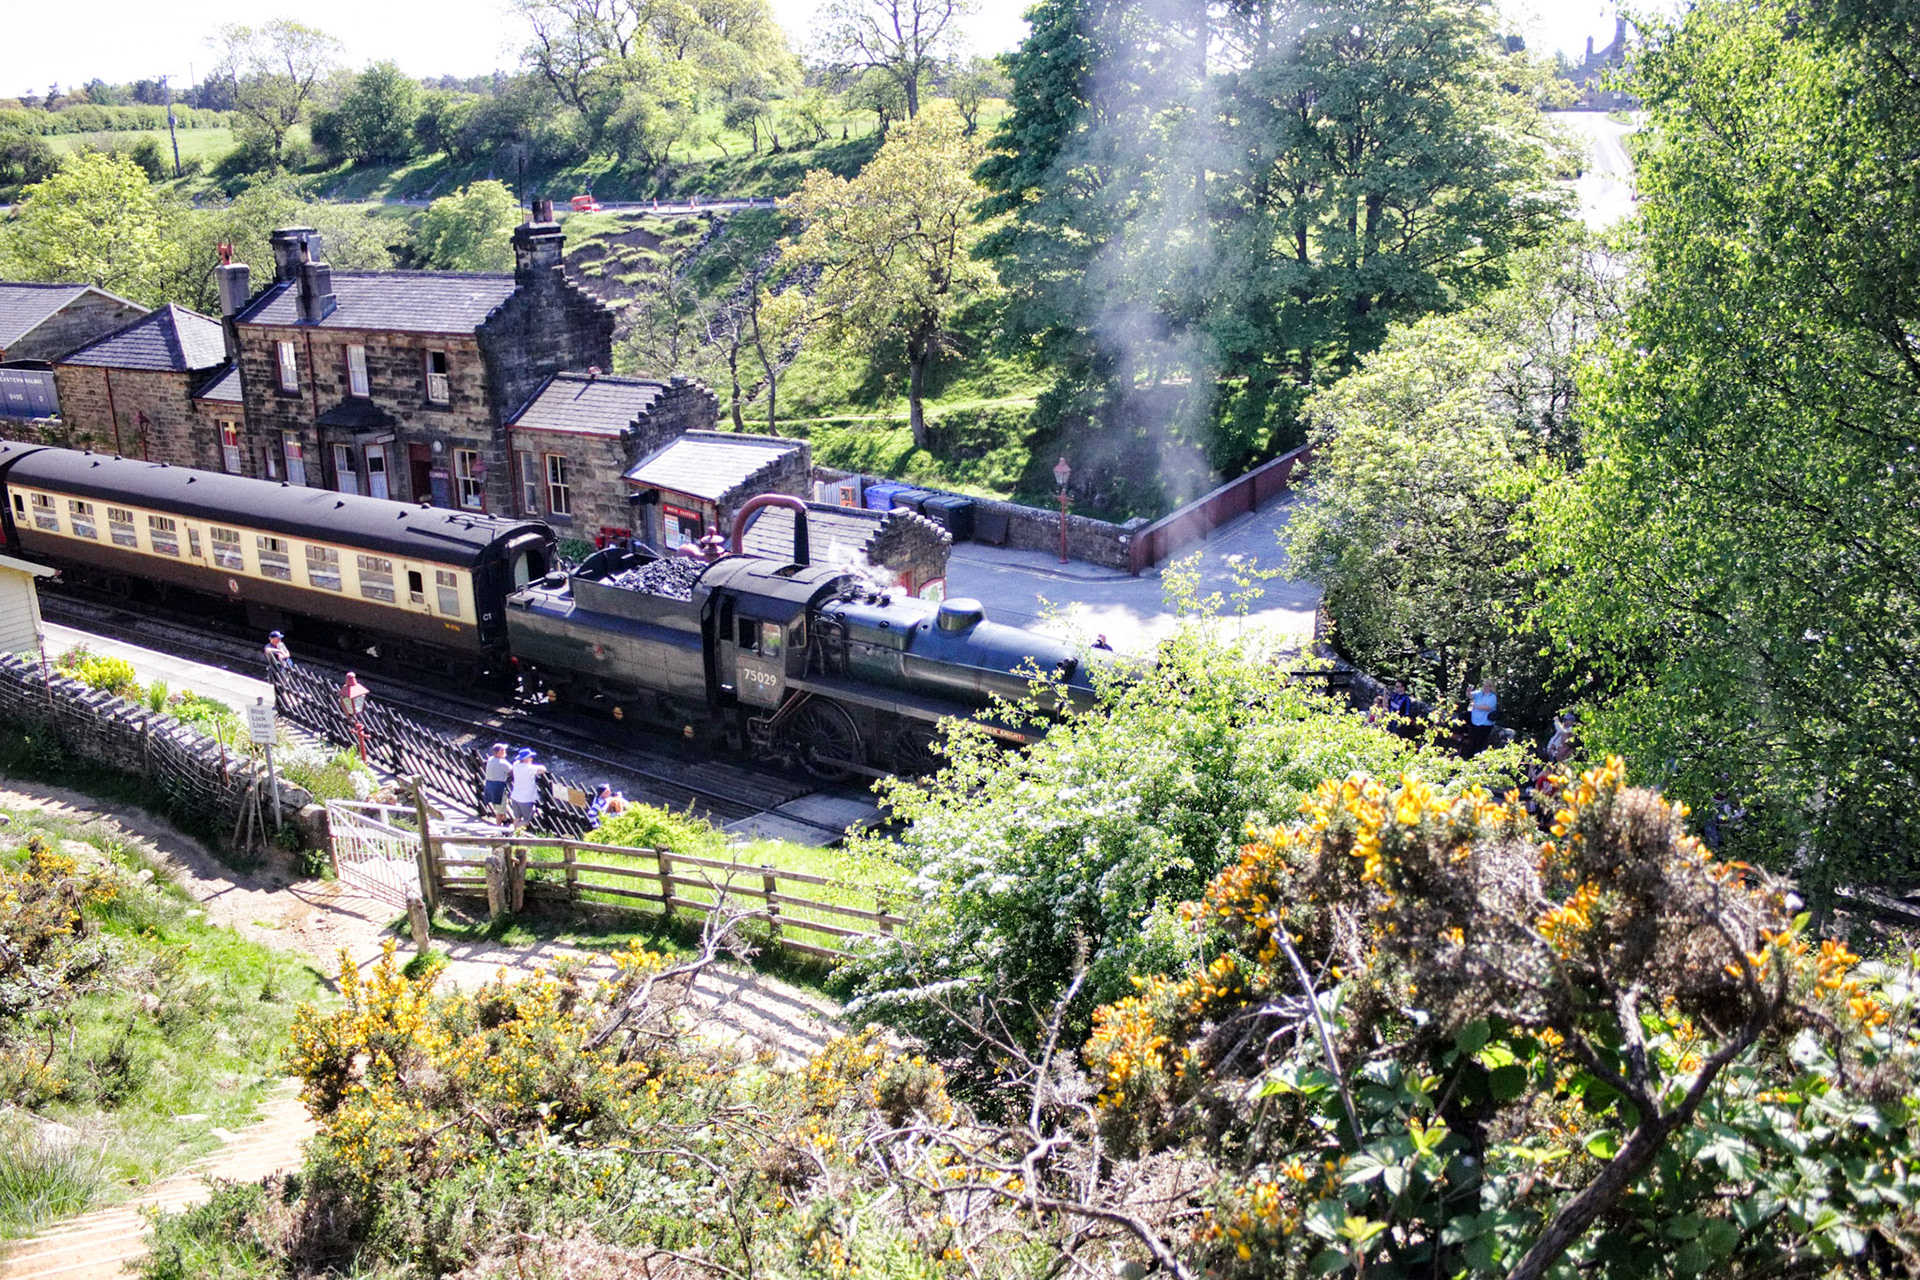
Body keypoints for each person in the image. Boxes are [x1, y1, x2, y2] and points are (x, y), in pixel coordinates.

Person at [507, 748, 545, 831]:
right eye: (530, 757)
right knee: (526, 820)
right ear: (526, 758)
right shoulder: (529, 768)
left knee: (517, 817)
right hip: (525, 799)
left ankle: (512, 832)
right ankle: (515, 834)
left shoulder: (516, 765)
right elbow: (542, 769)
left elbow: (518, 762)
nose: (532, 758)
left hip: (515, 796)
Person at [482, 743, 512, 824]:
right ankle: (499, 829)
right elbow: (511, 770)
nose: (505, 751)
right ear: (500, 751)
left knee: (500, 807)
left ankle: (505, 822)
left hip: (489, 785)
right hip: (499, 787)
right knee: (500, 811)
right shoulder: (503, 763)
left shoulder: (490, 759)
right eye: (503, 750)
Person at [1467, 678, 1498, 755]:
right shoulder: (1479, 693)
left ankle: (1475, 756)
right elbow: (1470, 696)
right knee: (1473, 739)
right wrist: (1468, 691)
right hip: (1476, 721)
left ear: (1491, 687)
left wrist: (1475, 706)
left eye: (1487, 686)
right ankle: (1470, 755)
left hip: (1485, 723)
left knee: (1479, 741)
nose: (1485, 688)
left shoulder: (1492, 697)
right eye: (1484, 686)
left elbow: (1488, 707)